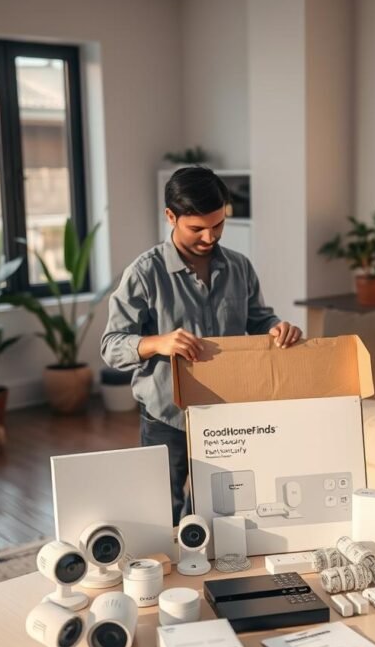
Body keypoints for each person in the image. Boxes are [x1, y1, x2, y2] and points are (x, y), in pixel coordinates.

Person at [101, 166, 302, 523]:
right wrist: (158, 342)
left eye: (219, 224)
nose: (210, 237)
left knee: (219, 511)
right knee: (161, 513)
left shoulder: (240, 267)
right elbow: (111, 346)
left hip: (228, 414)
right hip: (167, 415)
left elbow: (259, 320)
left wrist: (277, 328)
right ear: (171, 216)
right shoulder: (144, 273)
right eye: (197, 228)